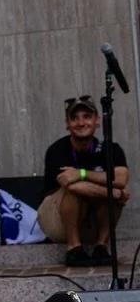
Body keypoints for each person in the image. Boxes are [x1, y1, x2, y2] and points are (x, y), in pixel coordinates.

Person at [38, 95, 128, 266]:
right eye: (75, 118)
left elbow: (121, 178)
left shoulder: (110, 148)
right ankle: (73, 248)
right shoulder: (57, 150)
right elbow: (69, 183)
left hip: (91, 221)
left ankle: (101, 247)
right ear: (67, 124)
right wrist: (113, 192)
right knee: (73, 191)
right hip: (57, 222)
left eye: (87, 117)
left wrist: (81, 173)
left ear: (97, 121)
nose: (81, 123)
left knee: (111, 196)